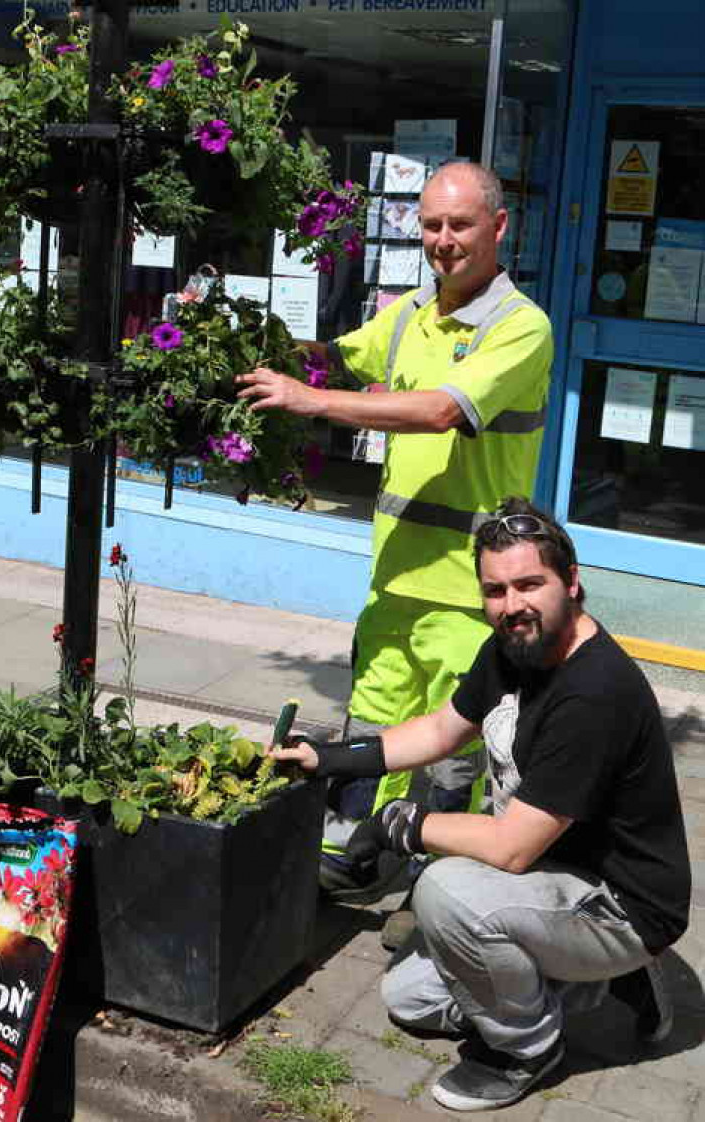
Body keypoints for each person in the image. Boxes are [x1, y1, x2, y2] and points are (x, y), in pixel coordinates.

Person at [272, 498, 691, 1112]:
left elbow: (510, 847)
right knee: (410, 1000)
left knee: (446, 893)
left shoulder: (594, 694)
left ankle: (528, 1049)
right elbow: (441, 731)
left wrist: (404, 825)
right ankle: (591, 981)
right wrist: (330, 759)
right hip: (551, 874)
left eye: (529, 584)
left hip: (619, 902)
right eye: (495, 590)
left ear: (572, 583)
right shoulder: (513, 649)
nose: (512, 604)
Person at [238, 162, 554, 908]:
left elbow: (440, 410)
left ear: (498, 228)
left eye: (459, 225)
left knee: (453, 757)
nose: (443, 242)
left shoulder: (519, 327)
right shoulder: (410, 311)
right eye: (431, 226)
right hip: (394, 577)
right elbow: (341, 357)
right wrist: (260, 346)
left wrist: (309, 398)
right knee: (370, 731)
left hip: (470, 590)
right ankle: (339, 866)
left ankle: (435, 895)